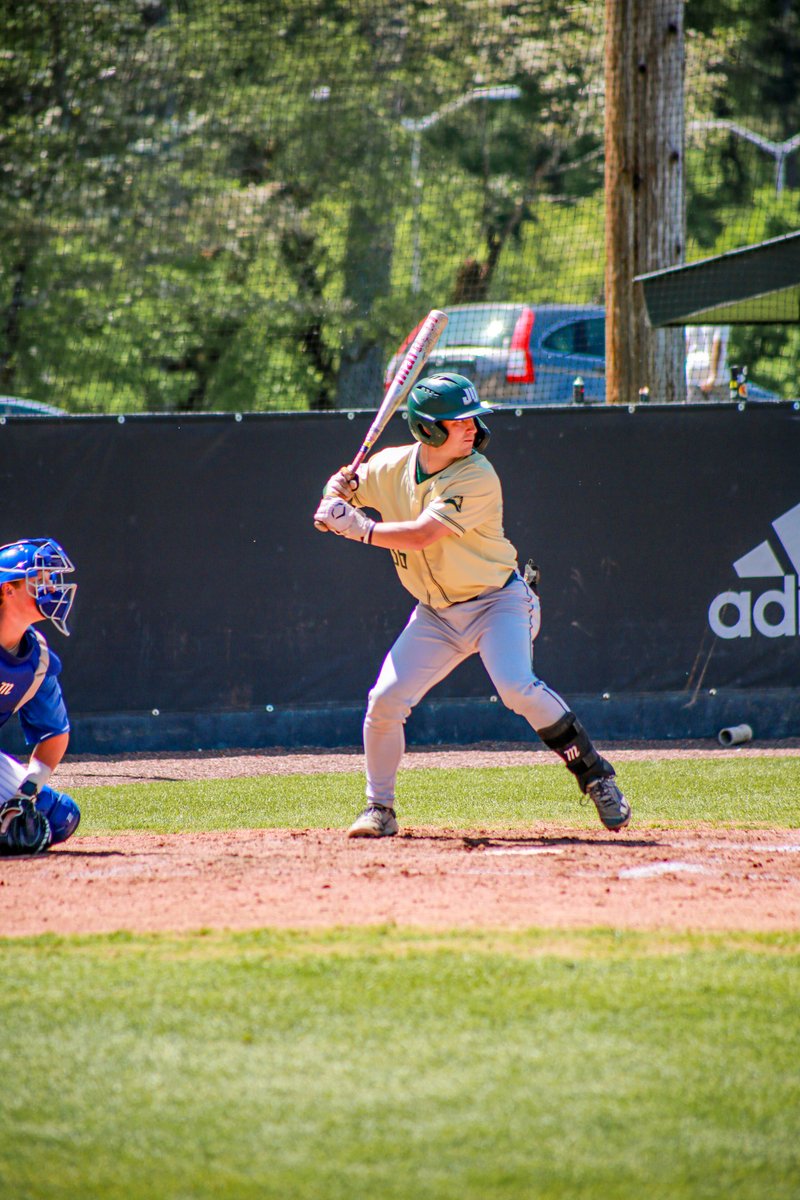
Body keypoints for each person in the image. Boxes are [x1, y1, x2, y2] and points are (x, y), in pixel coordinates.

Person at [313, 373, 630, 838]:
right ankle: (380, 809)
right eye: (458, 421)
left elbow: (422, 534)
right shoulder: (387, 467)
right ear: (428, 430)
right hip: (435, 615)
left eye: (472, 419)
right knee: (384, 701)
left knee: (516, 688)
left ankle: (596, 775)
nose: (472, 428)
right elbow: (341, 495)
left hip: (497, 602)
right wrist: (334, 495)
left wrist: (357, 527)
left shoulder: (477, 474)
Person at [0, 538, 81, 855]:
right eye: (40, 580)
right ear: (7, 589)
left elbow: (55, 735)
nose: (51, 588)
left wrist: (26, 792)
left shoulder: (37, 660)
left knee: (60, 816)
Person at [685, 325, 730, 402]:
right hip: (718, 381)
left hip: (692, 376)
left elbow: (686, 345)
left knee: (693, 413)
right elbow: (717, 346)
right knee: (724, 413)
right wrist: (713, 376)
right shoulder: (721, 316)